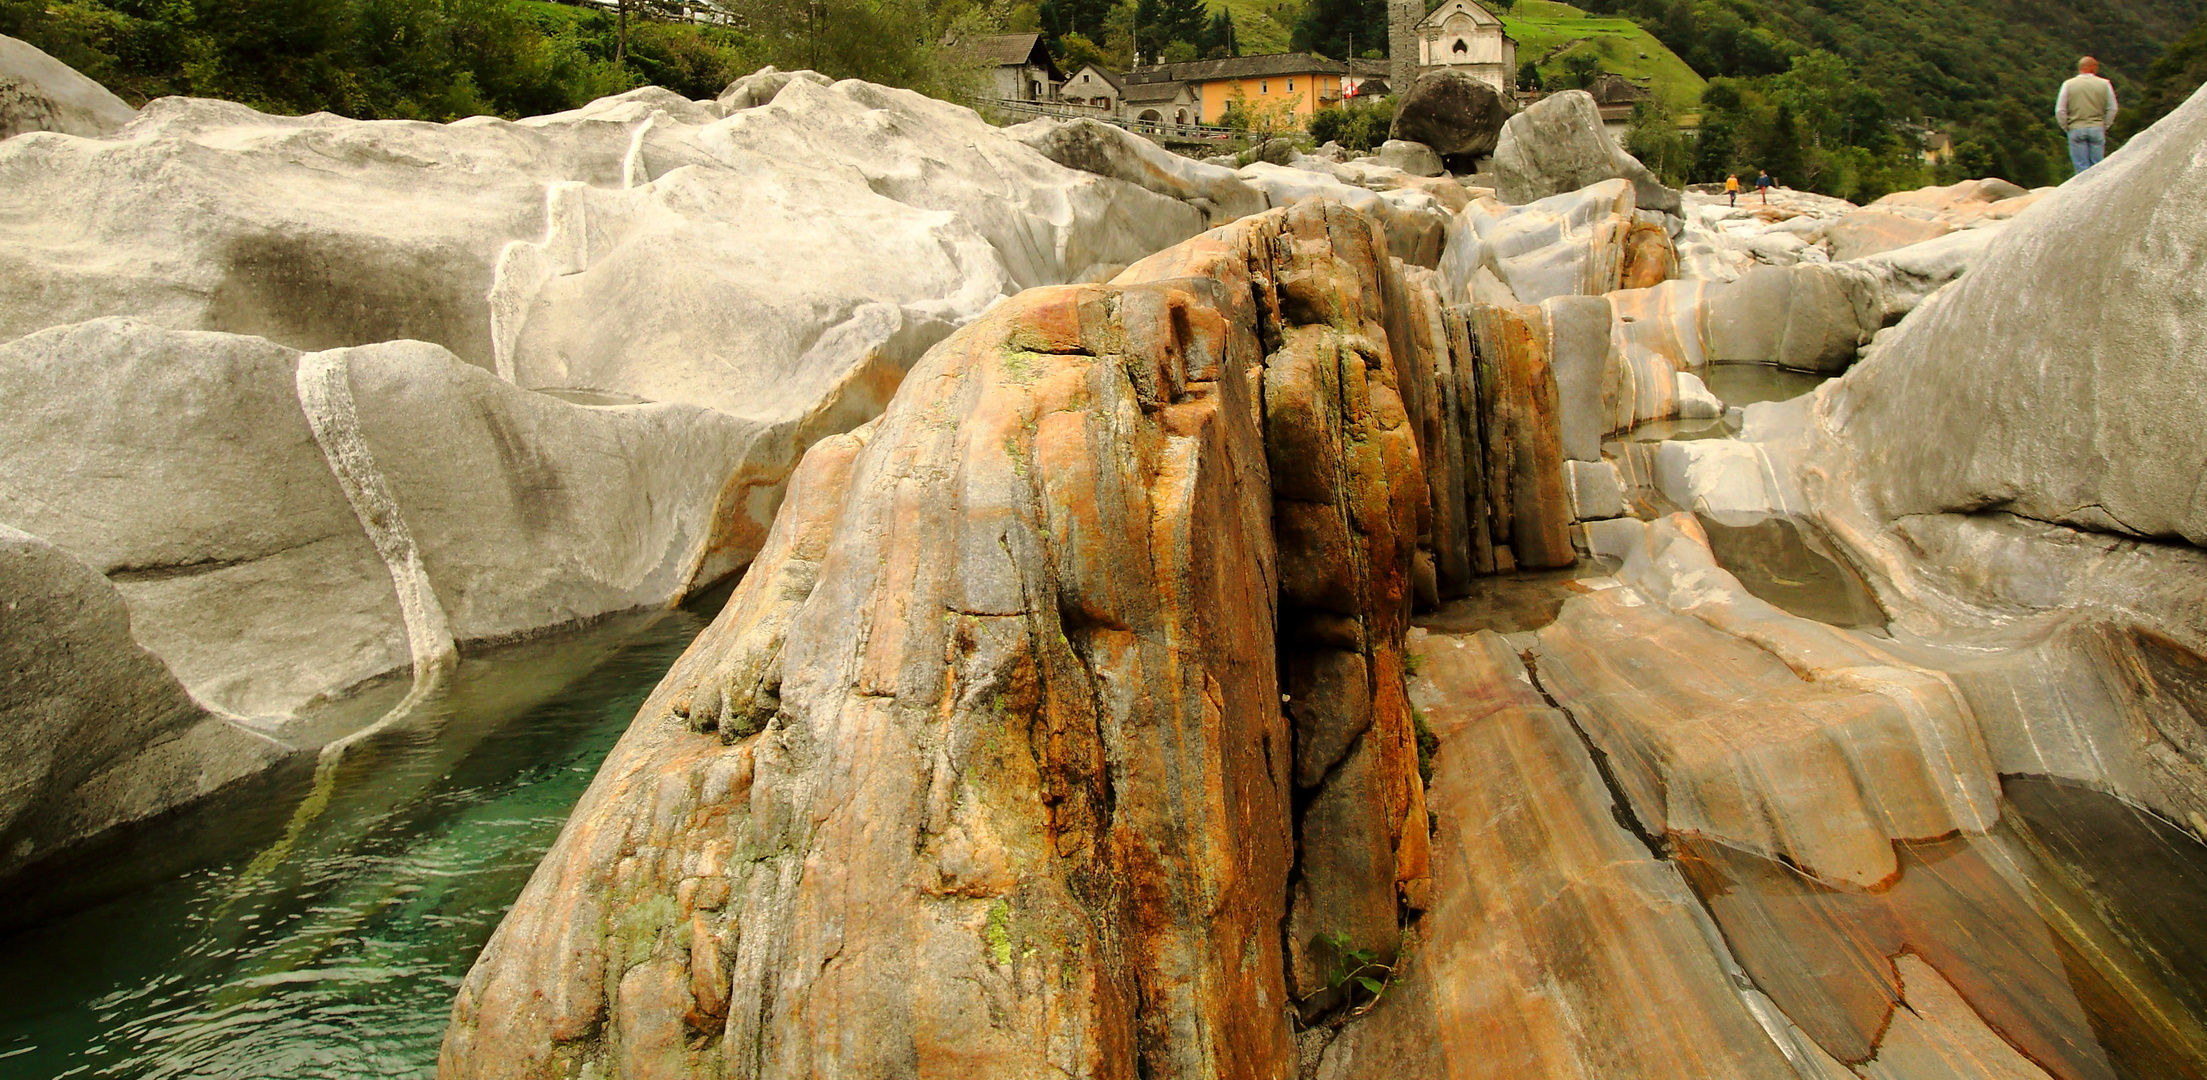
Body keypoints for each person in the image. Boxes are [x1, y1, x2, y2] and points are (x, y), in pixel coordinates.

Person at [2056, 56, 2119, 174]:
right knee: (2097, 167)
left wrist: (2067, 127)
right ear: (2092, 68)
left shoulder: (2068, 84)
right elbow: (2113, 108)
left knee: (2081, 169)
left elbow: (2060, 110)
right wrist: (2105, 125)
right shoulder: (2105, 84)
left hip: (2076, 128)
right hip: (2097, 127)